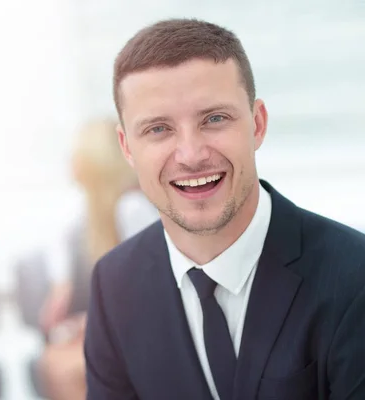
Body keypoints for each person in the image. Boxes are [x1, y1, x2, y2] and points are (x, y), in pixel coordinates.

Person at [84, 18, 365, 400]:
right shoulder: (113, 284)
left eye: (214, 119)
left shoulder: (353, 277)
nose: (191, 155)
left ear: (258, 124)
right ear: (127, 147)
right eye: (158, 129)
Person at [39, 118, 158, 400]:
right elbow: (60, 247)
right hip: (114, 329)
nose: (70, 160)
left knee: (65, 369)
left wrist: (90, 324)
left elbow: (149, 296)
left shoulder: (132, 209)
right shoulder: (88, 215)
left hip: (143, 332)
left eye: (76, 152)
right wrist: (63, 288)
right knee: (53, 361)